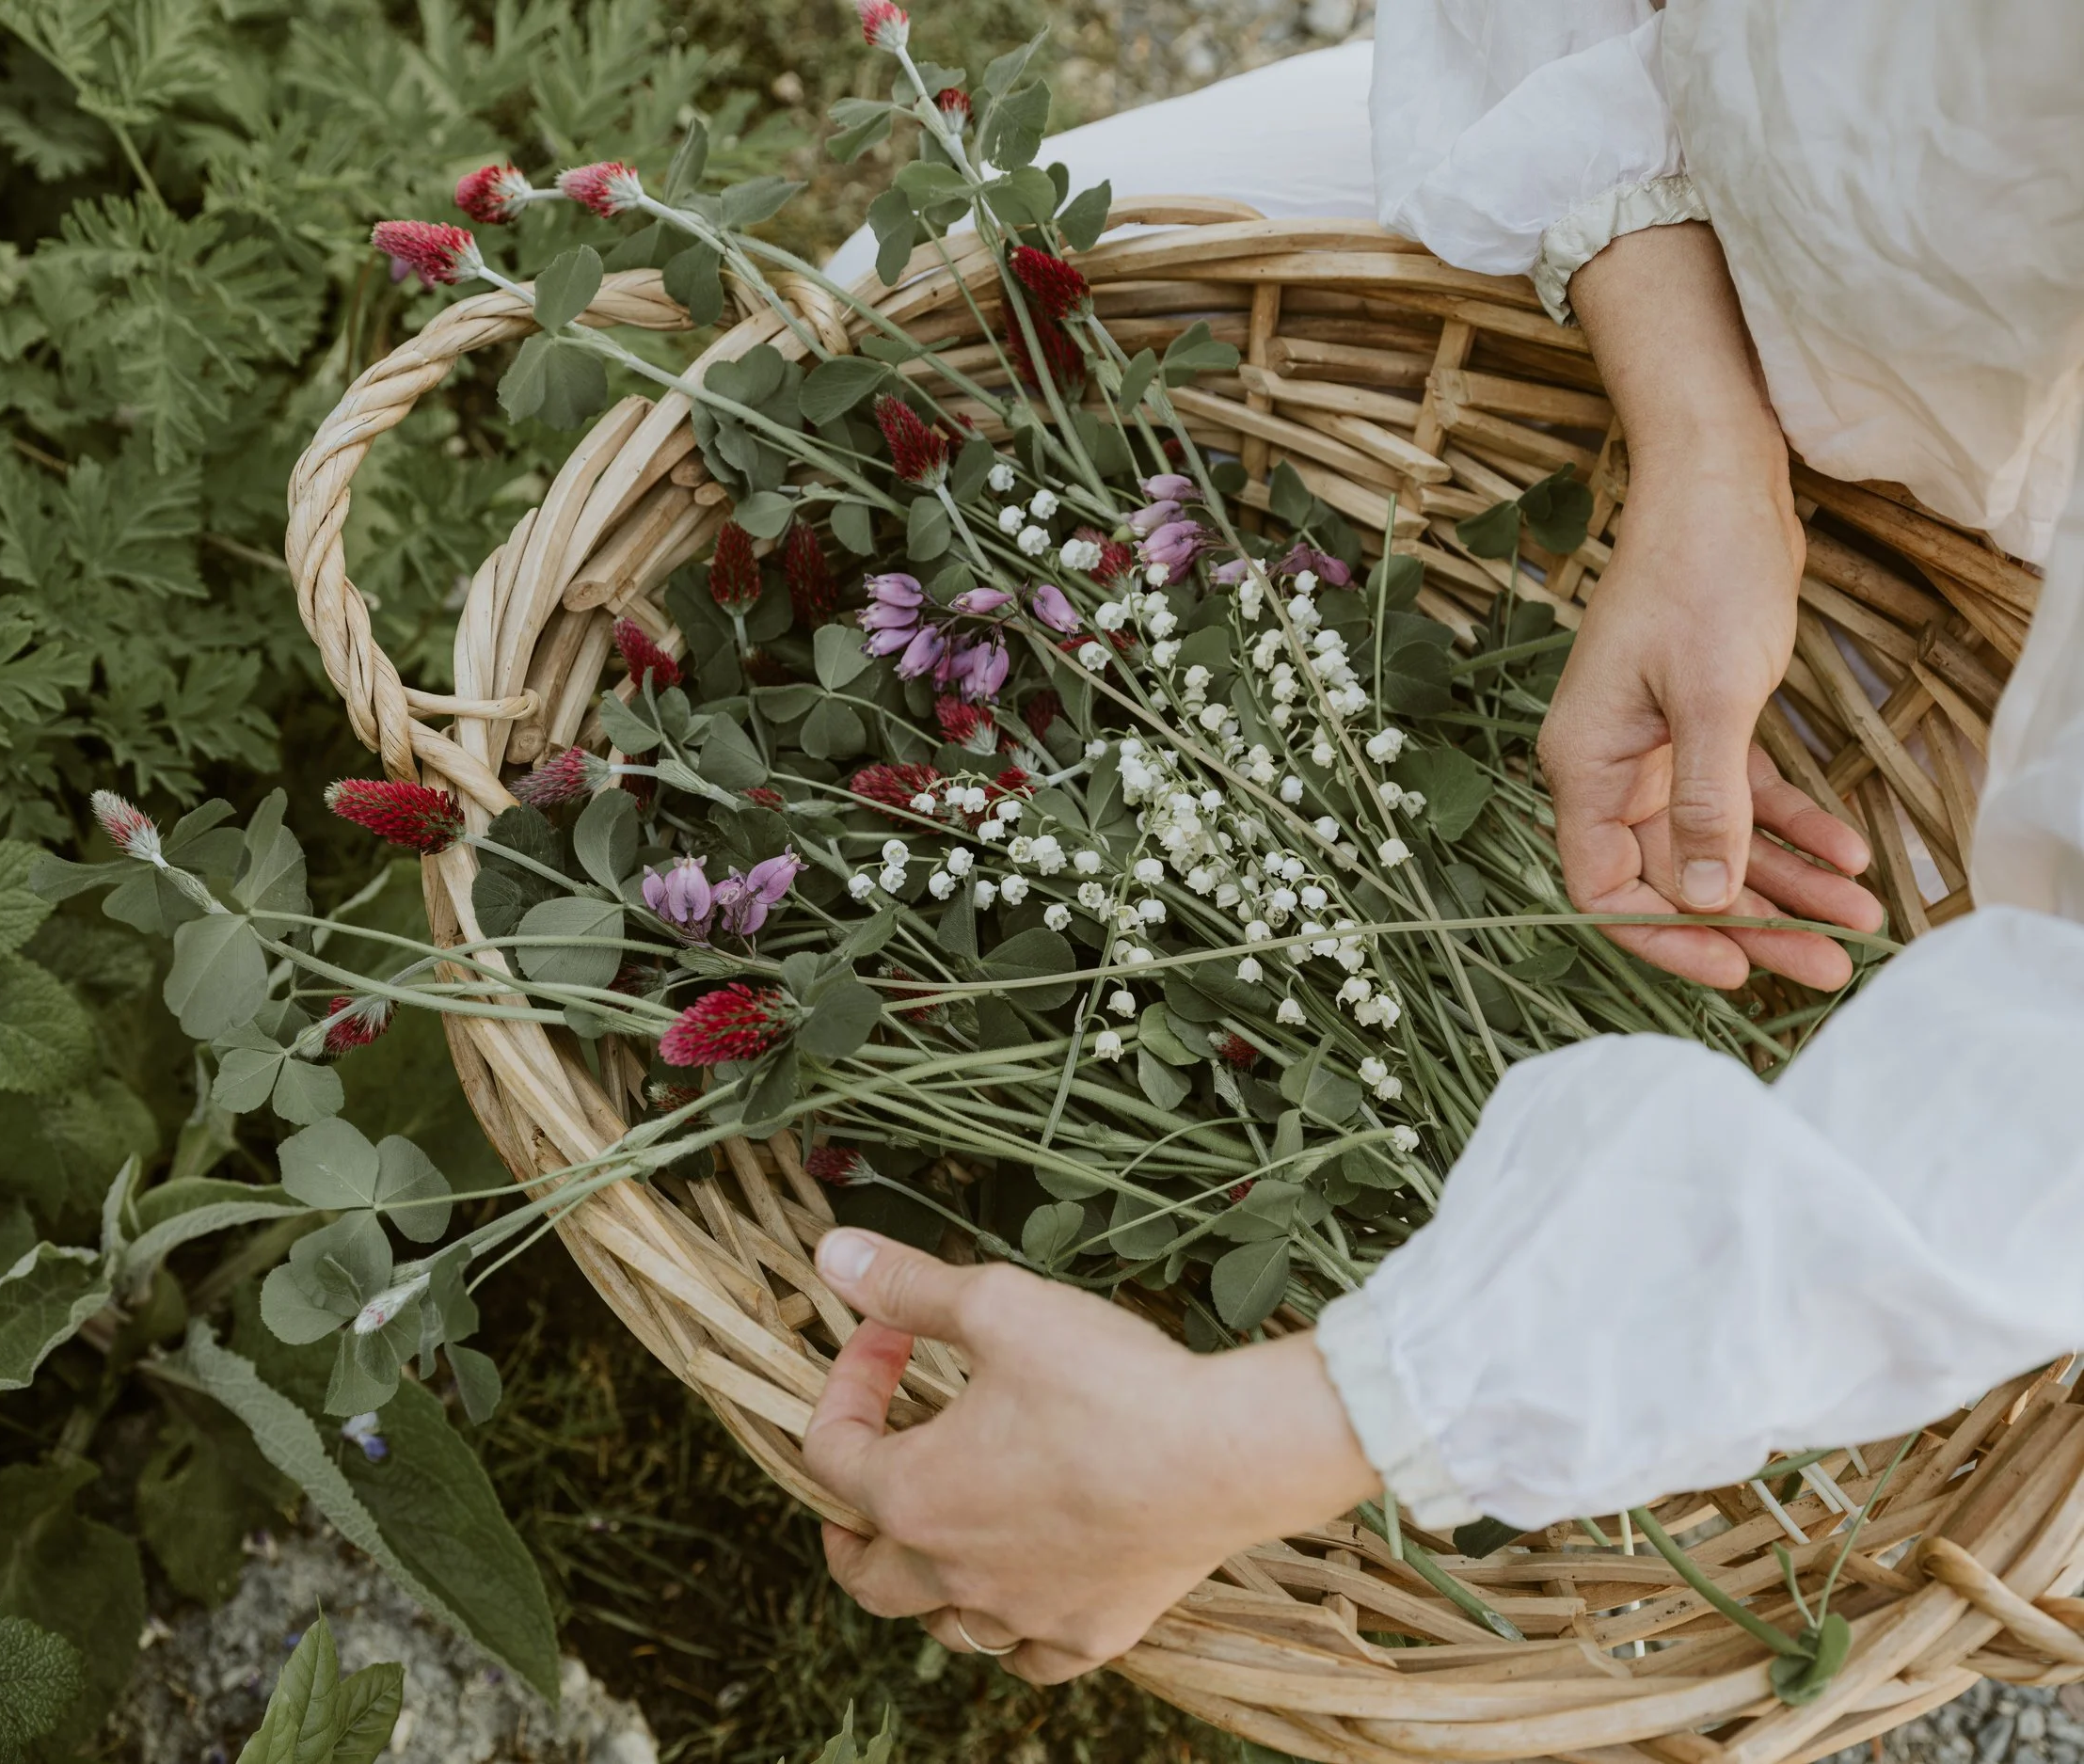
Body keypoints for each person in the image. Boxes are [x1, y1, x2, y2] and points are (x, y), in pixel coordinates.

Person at [802, 0, 2084, 1683]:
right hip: (1682, 164)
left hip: (2020, 464)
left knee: (1930, 1174)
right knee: (891, 315)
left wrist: (1269, 1428)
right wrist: (1708, 437)